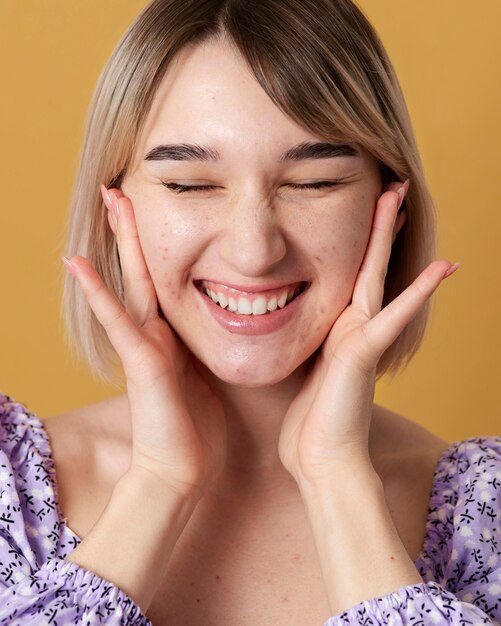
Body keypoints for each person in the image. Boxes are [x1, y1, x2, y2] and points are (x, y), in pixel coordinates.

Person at [0, 0, 499, 623]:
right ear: (115, 207)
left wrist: (338, 482)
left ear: (391, 210)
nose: (254, 251)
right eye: (189, 185)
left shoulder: (484, 511)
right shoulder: (10, 487)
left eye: (315, 182)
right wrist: (157, 483)